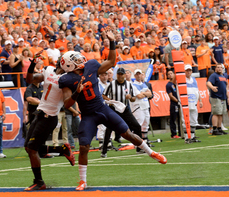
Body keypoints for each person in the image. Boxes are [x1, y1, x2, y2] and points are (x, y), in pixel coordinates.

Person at [58, 32, 167, 191]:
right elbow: (67, 103)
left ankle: (151, 153)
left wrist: (112, 42)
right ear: (69, 65)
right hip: (88, 115)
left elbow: (110, 61)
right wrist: (77, 92)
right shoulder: (66, 80)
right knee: (83, 147)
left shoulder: (91, 66)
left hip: (102, 108)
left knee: (127, 134)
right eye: (75, 59)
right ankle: (83, 181)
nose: (80, 59)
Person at [23, 58, 75, 191]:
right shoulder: (48, 70)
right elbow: (30, 79)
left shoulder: (66, 79)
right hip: (40, 114)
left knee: (32, 149)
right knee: (28, 148)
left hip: (49, 116)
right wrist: (32, 65)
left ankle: (39, 182)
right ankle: (61, 149)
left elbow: (67, 100)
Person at [102, 67, 143, 156]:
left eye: (121, 74)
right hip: (114, 109)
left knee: (137, 126)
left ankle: (139, 148)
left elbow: (133, 99)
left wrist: (130, 97)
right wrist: (111, 101)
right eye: (118, 74)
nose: (120, 76)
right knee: (109, 129)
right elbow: (103, 95)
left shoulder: (129, 84)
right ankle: (104, 151)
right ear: (117, 75)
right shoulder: (111, 84)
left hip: (124, 109)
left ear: (125, 75)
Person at [206, 64, 229, 135]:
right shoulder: (214, 75)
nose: (219, 69)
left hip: (223, 97)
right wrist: (212, 87)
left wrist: (228, 97)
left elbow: (225, 87)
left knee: (221, 113)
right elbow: (208, 83)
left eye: (220, 67)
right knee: (215, 113)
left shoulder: (223, 76)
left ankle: (219, 128)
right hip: (216, 97)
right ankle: (214, 129)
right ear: (215, 68)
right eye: (218, 67)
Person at [184, 64, 202, 143]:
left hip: (194, 102)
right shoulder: (182, 79)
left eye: (189, 70)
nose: (188, 72)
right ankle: (186, 137)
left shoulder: (194, 79)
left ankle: (192, 136)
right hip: (186, 103)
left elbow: (197, 91)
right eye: (187, 70)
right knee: (185, 120)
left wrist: (200, 100)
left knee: (194, 119)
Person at [166, 70, 181, 139]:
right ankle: (173, 134)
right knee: (173, 119)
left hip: (179, 103)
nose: (170, 75)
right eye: (169, 74)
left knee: (180, 119)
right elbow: (170, 96)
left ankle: (181, 133)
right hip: (174, 104)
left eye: (171, 73)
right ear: (167, 76)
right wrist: (178, 101)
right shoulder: (168, 85)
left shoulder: (177, 84)